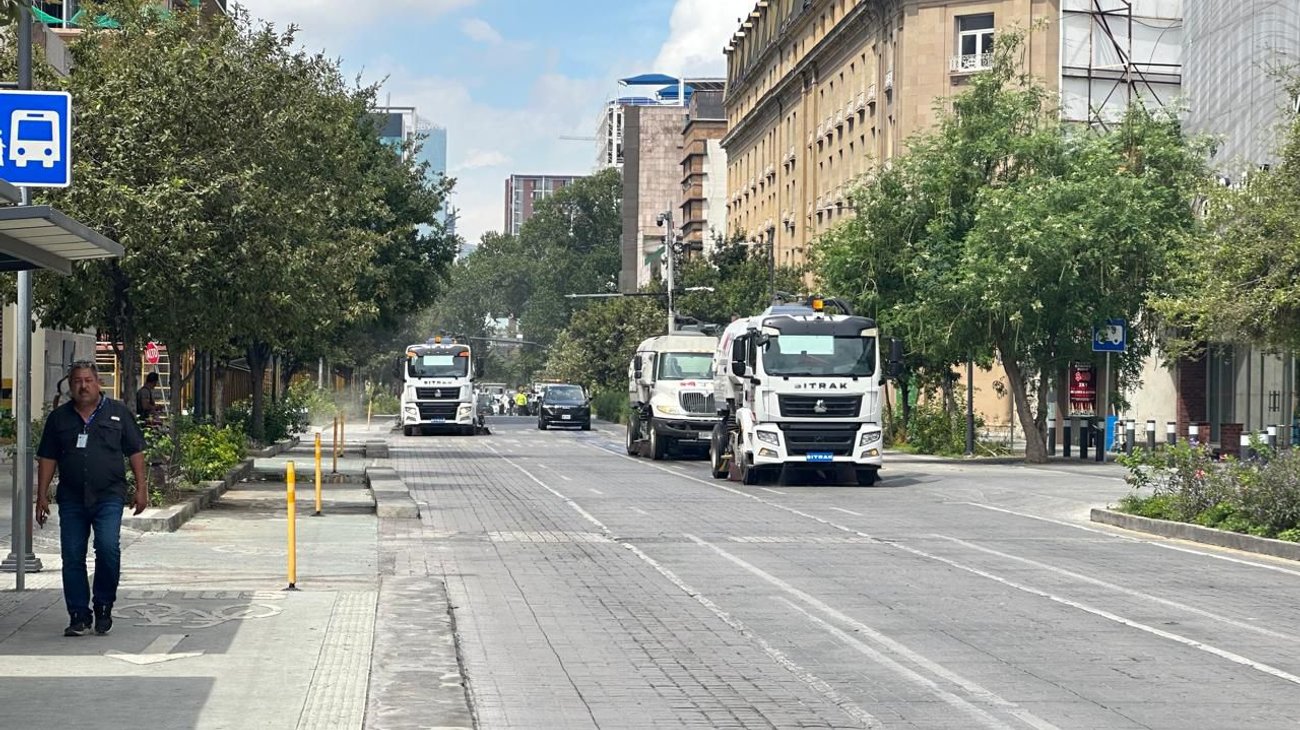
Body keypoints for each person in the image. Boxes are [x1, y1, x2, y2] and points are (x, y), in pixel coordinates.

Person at [35, 361, 148, 637]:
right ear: (70, 385)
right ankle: (78, 614)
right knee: (72, 556)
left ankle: (103, 605)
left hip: (109, 495)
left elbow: (135, 451)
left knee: (108, 548)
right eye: (77, 381)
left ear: (98, 383)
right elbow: (48, 457)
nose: (82, 386)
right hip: (72, 498)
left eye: (87, 380)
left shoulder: (117, 413)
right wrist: (41, 495)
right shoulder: (59, 419)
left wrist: (141, 488)